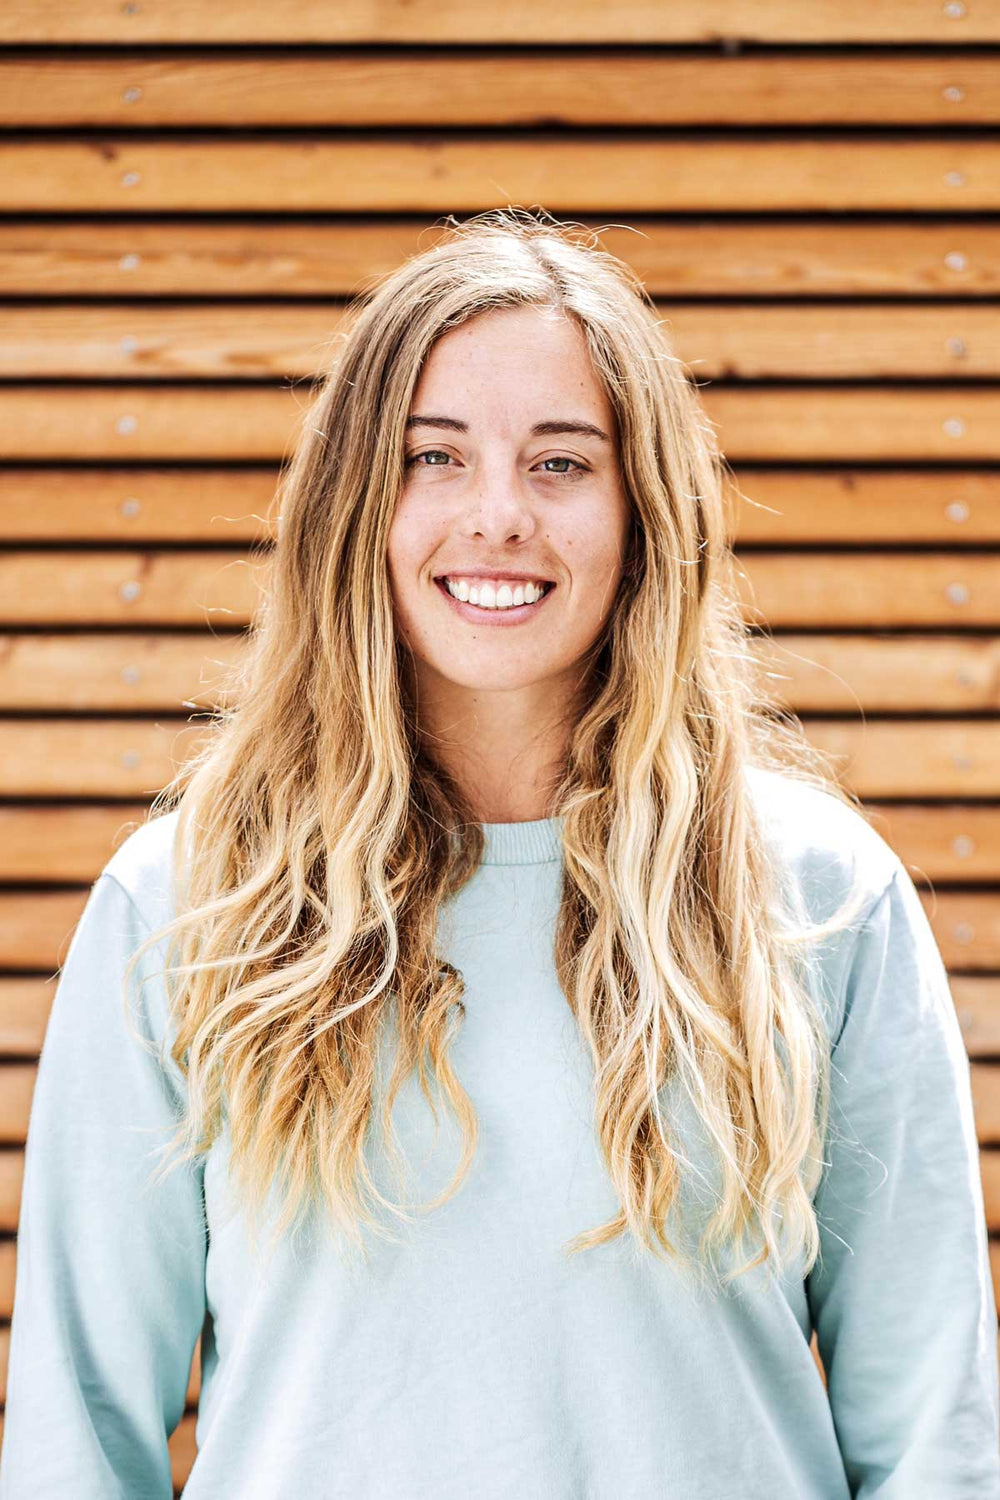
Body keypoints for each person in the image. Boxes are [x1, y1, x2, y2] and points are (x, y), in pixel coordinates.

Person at [1, 208, 997, 1499]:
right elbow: (78, 1438)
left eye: (563, 463)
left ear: (645, 510)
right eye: (434, 456)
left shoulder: (818, 903)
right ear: (360, 501)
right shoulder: (187, 905)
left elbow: (932, 1437)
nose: (498, 516)